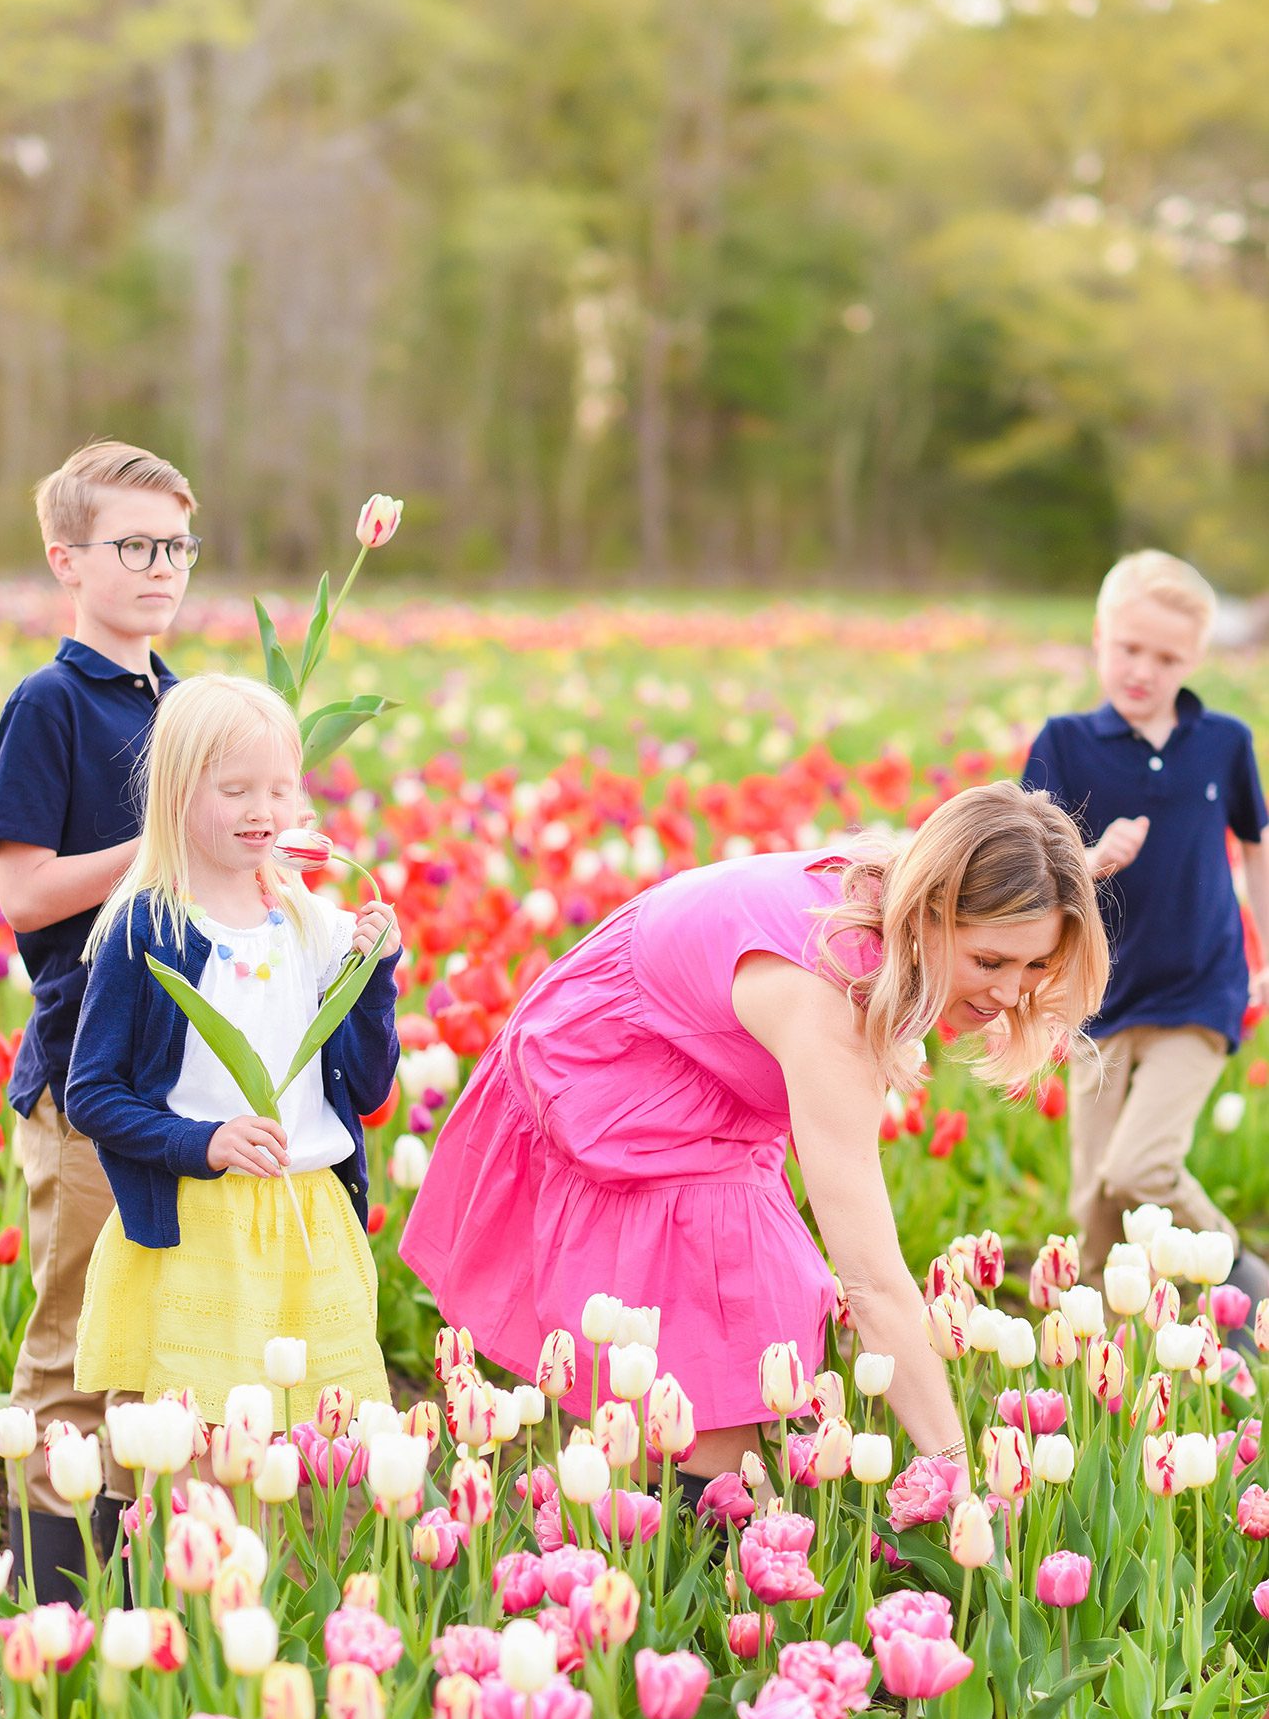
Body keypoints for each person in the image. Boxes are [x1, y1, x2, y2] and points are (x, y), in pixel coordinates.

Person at [400, 782, 1108, 1489]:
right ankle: (636, 1537)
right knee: (718, 1438)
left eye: (1035, 966)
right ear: (927, 910)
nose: (1010, 995)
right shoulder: (827, 999)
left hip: (703, 1083)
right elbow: (871, 1279)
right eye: (989, 962)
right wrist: (959, 1477)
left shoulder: (893, 900)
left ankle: (643, 1508)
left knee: (746, 1354)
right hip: (615, 1089)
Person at [65, 674, 400, 1432]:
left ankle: (273, 1560)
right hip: (200, 1223)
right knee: (211, 1447)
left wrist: (374, 977)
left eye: (280, 790)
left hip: (307, 1217)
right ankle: (192, 1556)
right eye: (236, 790)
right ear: (178, 794)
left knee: (306, 1448)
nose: (263, 812)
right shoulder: (147, 929)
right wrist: (203, 1141)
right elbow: (91, 1092)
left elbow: (371, 1083)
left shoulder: (313, 925)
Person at [0, 440, 197, 1601]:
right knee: (72, 1348)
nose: (161, 567)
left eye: (176, 545)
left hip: (182, 1085)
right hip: (84, 1073)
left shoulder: (184, 703)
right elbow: (22, 894)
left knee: (151, 1359)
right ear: (68, 559)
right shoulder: (51, 704)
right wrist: (159, 849)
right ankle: (45, 1613)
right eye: (134, 546)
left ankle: (131, 1608)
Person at [1023, 550, 1269, 1306]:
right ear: (1099, 637)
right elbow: (1029, 862)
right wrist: (1089, 861)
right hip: (1096, 995)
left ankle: (1240, 1282)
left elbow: (1255, 844)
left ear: (1193, 658)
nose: (1143, 670)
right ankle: (1108, 1362)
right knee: (1093, 1209)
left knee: (1138, 1169)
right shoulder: (1064, 743)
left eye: (1166, 657)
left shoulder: (1220, 742)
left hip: (1198, 989)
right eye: (1129, 648)